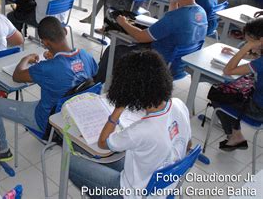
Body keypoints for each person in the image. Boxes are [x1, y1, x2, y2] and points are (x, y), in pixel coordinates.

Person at [70, 50, 192, 199]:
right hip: (163, 186)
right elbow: (188, 144)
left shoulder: (142, 130)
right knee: (112, 157)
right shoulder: (179, 105)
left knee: (71, 162)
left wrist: (118, 108)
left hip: (130, 194)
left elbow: (102, 142)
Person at [0, 16, 97, 161]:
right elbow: (85, 75)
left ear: (45, 42)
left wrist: (25, 59)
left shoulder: (47, 68)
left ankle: (3, 150)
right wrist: (56, 58)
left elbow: (17, 76)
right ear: (65, 32)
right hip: (74, 113)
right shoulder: (86, 55)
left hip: (49, 119)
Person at [94, 0, 208, 82]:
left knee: (114, 50)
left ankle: (97, 82)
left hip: (159, 63)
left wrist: (123, 23)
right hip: (181, 64)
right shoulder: (201, 12)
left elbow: (140, 37)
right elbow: (173, 23)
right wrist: (173, 1)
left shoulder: (174, 18)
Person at [212, 17, 263, 151]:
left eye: (249, 42)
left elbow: (228, 70)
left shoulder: (261, 63)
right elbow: (256, 58)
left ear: (260, 40)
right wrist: (237, 52)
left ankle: (235, 136)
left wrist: (245, 48)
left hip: (259, 110)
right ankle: (235, 131)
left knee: (217, 94)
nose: (247, 44)